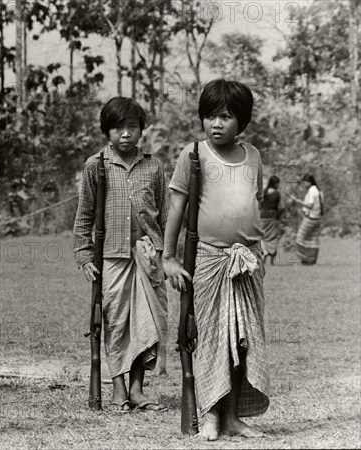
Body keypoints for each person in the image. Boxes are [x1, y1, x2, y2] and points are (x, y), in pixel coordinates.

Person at [163, 79, 270, 440]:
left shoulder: (253, 156)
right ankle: (209, 415)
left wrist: (262, 246)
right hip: (207, 262)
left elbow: (251, 203)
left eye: (225, 116)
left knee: (244, 340)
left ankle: (233, 417)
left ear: (242, 120)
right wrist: (169, 257)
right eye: (210, 116)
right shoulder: (193, 155)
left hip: (247, 263)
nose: (216, 124)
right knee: (210, 339)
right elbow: (176, 207)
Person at [73, 97, 169, 412]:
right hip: (110, 258)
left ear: (141, 130)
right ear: (107, 131)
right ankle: (118, 389)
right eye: (118, 128)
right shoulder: (95, 166)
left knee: (148, 325)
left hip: (148, 256)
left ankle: (138, 389)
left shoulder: (154, 166)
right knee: (115, 322)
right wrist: (85, 255)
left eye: (132, 127)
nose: (125, 134)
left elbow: (166, 216)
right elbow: (84, 215)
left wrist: (167, 254)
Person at [288, 173, 323, 265]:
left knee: (300, 238)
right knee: (313, 239)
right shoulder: (319, 190)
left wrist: (298, 201)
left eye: (305, 183)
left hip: (310, 218)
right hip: (317, 218)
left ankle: (303, 260)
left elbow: (310, 205)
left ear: (309, 182)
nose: (304, 185)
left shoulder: (312, 191)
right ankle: (312, 260)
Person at [259, 175, 284, 265]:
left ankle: (264, 251)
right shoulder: (277, 194)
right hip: (272, 218)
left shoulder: (263, 192)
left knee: (262, 237)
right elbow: (282, 207)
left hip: (262, 217)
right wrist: (279, 216)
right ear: (275, 184)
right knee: (273, 237)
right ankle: (272, 261)